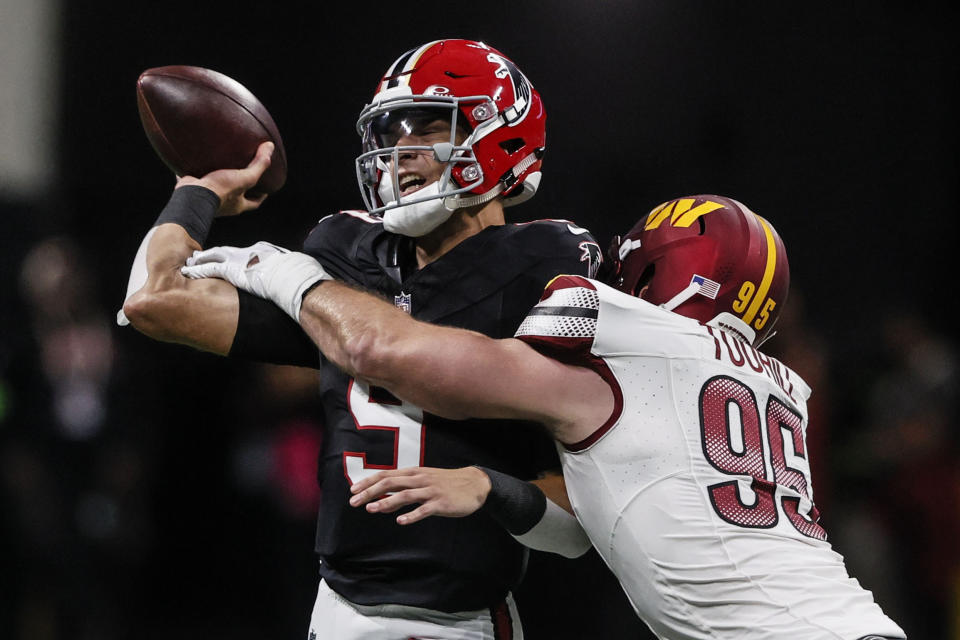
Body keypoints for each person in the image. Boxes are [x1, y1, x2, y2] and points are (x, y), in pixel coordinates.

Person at [181, 193, 907, 639]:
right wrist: (491, 485)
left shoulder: (623, 334)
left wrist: (280, 269)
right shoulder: (779, 385)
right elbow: (584, 526)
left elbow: (391, 349)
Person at [121, 39, 611, 639]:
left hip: (462, 622)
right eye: (389, 136)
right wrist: (196, 190)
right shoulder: (347, 252)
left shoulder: (550, 266)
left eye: (428, 130)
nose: (397, 156)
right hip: (337, 611)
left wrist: (490, 490)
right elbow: (152, 298)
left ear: (498, 135)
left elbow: (579, 529)